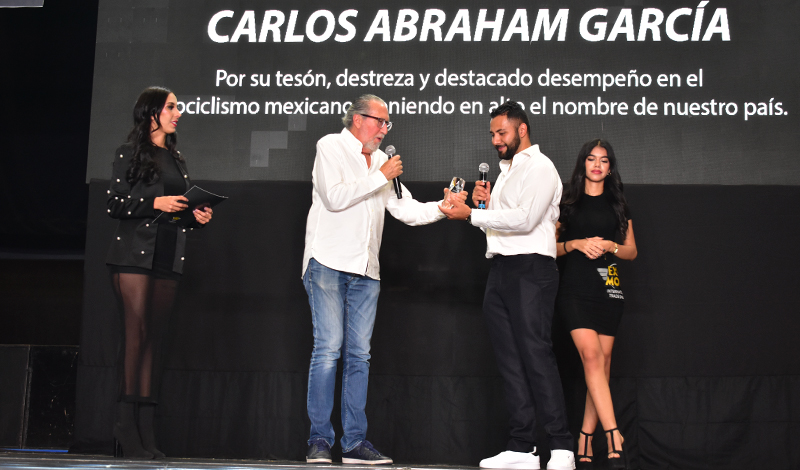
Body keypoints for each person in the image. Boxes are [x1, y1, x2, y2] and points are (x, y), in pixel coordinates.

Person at [302, 94, 465, 465]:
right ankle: (319, 441)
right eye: (380, 121)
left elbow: (405, 209)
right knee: (328, 350)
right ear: (358, 119)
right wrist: (380, 175)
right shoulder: (331, 146)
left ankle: (354, 443)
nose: (384, 129)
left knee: (359, 356)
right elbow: (334, 198)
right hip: (327, 262)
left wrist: (443, 208)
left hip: (366, 271)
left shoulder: (380, 162)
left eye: (388, 123)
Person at [440, 101, 575, 470]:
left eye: (502, 132)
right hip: (500, 269)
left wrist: (473, 214)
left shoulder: (540, 167)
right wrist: (483, 208)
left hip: (531, 269)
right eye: (492, 134)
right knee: (510, 360)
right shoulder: (505, 173)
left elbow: (526, 220)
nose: (495, 140)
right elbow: (499, 225)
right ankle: (522, 446)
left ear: (522, 129)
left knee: (536, 355)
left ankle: (561, 447)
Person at [105, 86, 213, 459]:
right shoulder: (128, 153)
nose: (177, 113)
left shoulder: (176, 158)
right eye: (170, 107)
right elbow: (115, 204)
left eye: (177, 107)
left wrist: (195, 217)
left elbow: (175, 211)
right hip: (134, 257)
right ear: (151, 112)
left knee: (154, 341)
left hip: (168, 255)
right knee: (136, 337)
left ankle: (146, 430)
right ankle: (125, 424)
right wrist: (155, 202)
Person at [554, 139, 637, 470]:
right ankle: (614, 435)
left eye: (603, 160)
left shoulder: (618, 204)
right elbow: (550, 247)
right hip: (575, 289)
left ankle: (585, 439)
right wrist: (574, 243)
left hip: (609, 289)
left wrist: (610, 246)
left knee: (601, 365)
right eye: (591, 159)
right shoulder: (568, 202)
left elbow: (631, 251)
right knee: (591, 357)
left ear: (610, 167)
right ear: (583, 164)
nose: (597, 165)